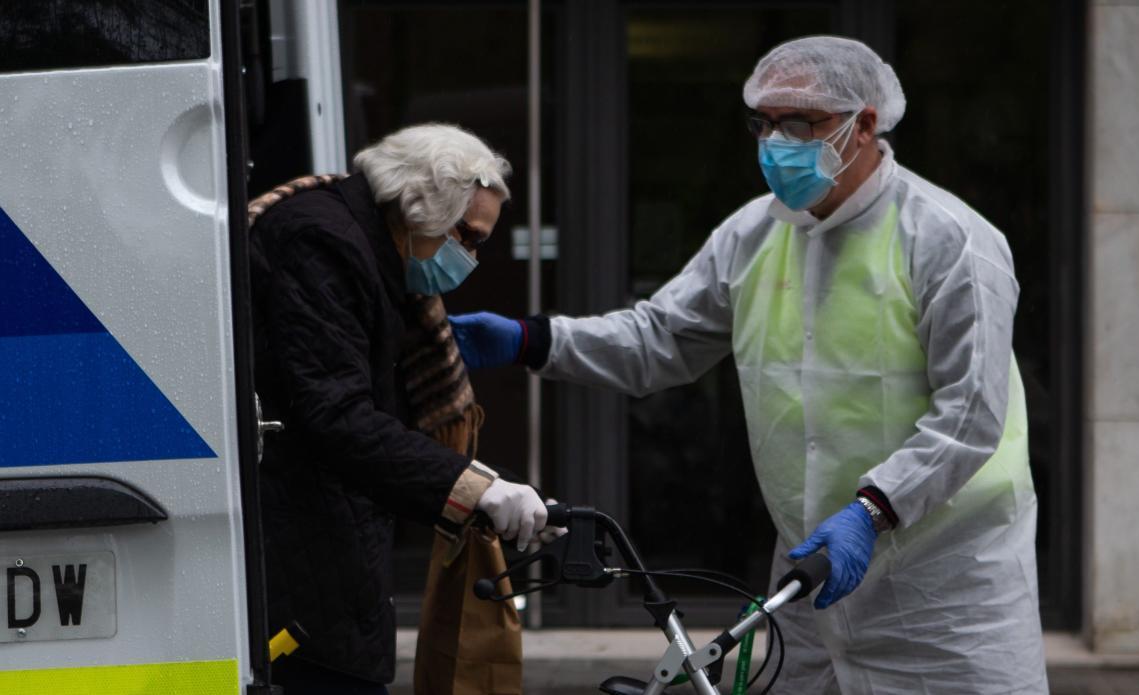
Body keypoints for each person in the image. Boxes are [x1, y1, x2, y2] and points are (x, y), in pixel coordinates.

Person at [449, 37, 1048, 693]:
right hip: (810, 589)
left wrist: (872, 509)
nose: (773, 143)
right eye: (762, 123)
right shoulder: (754, 234)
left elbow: (969, 414)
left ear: (866, 123)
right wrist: (531, 339)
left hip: (945, 598)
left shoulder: (951, 241)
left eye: (797, 123)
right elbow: (660, 338)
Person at [248, 124, 549, 694]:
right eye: (470, 236)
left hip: (323, 567)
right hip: (303, 573)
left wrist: (484, 490)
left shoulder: (366, 248)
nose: (472, 258)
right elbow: (338, 415)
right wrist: (475, 486)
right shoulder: (324, 242)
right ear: (422, 204)